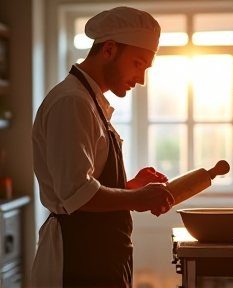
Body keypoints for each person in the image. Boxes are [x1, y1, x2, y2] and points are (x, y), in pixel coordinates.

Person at [31, 6, 175, 288]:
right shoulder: (72, 102)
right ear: (109, 49)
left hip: (96, 255)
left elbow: (87, 186)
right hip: (77, 260)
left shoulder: (89, 100)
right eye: (137, 63)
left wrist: (130, 188)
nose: (142, 79)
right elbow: (76, 195)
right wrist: (138, 199)